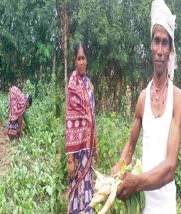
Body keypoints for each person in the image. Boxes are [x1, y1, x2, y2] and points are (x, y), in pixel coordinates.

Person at [110, 0, 181, 213]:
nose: (160, 50)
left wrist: (135, 182)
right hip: (143, 206)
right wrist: (119, 169)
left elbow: (170, 167)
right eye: (156, 42)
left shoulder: (178, 98)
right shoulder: (143, 98)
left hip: (165, 206)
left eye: (165, 43)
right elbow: (131, 144)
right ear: (151, 46)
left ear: (170, 49)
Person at [66, 41, 99, 214]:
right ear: (74, 61)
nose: (81, 62)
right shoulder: (72, 85)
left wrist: (95, 143)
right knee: (76, 189)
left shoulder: (90, 86)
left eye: (83, 58)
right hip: (77, 152)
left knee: (88, 188)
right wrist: (70, 160)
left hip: (88, 151)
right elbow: (69, 122)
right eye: (78, 58)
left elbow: (92, 117)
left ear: (87, 60)